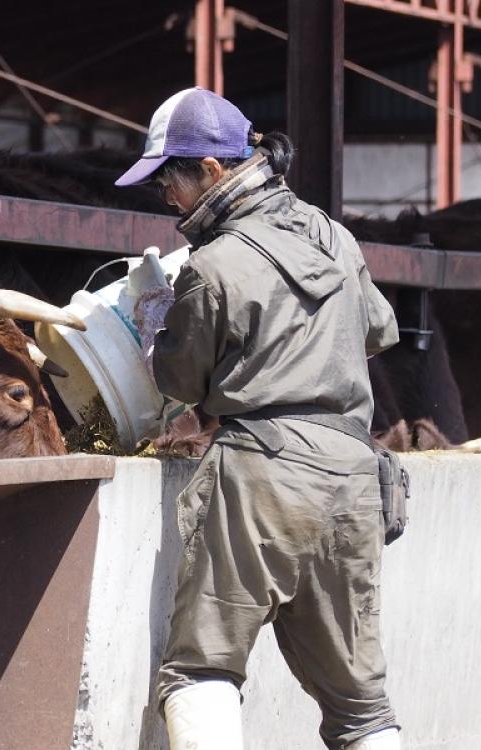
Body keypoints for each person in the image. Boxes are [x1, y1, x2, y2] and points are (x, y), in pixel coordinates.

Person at [116, 87, 403, 750]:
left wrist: (157, 319)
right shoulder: (335, 236)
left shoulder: (213, 266)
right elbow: (378, 330)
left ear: (211, 169)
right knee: (359, 704)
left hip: (263, 477)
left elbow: (180, 383)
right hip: (354, 480)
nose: (165, 196)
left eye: (168, 179)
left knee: (201, 669)